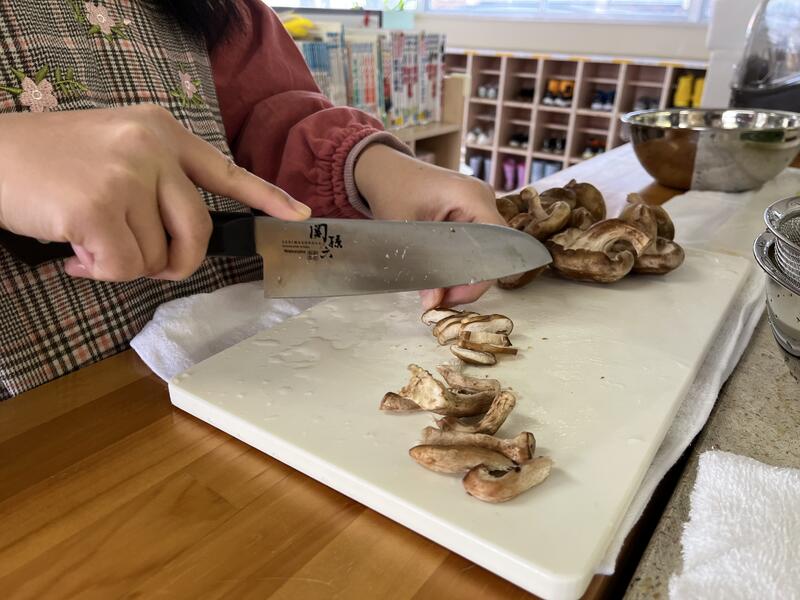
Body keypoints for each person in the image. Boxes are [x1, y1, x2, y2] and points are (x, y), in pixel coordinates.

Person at [0, 0, 505, 399]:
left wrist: (376, 170)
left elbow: (263, 113)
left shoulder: (227, 10)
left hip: (253, 383)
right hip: (48, 432)